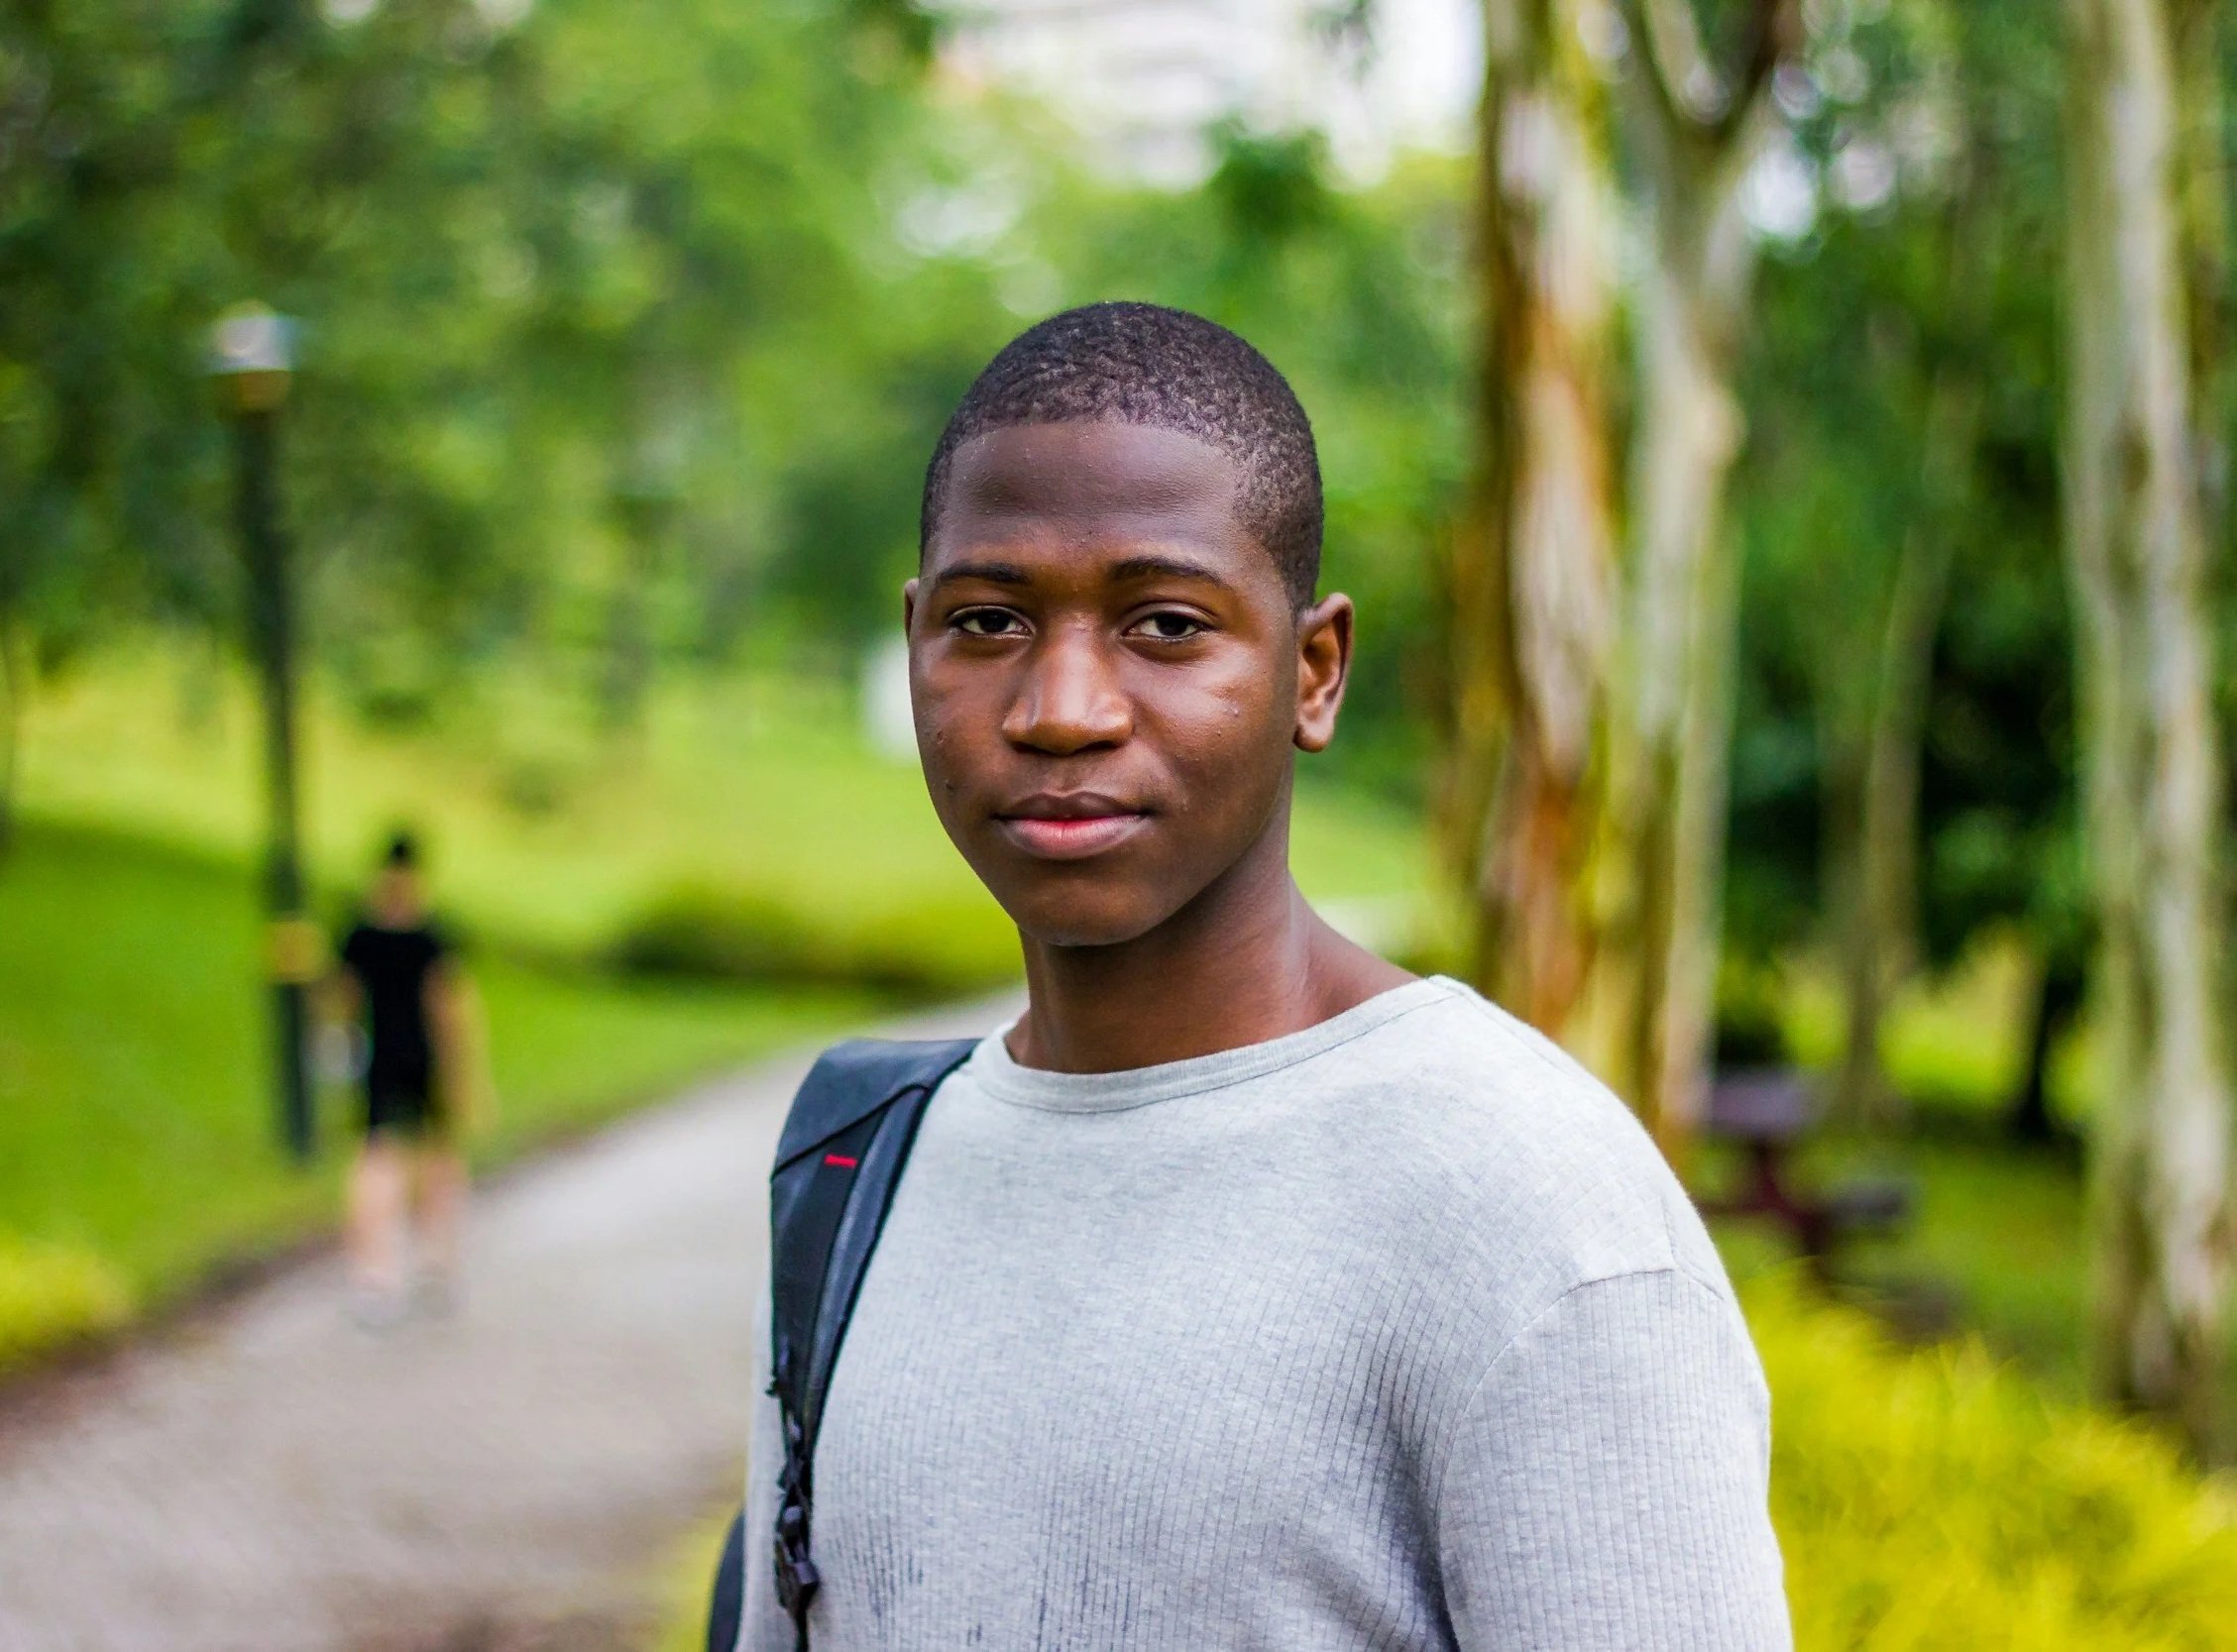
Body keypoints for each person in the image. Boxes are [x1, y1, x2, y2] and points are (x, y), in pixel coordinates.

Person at [735, 302, 1790, 1648]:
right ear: (915, 641)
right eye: (989, 619)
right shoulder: (856, 1169)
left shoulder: (1528, 1207)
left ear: (1313, 668)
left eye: (1164, 624)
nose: (1061, 706)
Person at [331, 830, 477, 1325]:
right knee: (435, 1157)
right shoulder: (431, 934)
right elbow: (448, 1007)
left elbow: (342, 999)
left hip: (378, 1057)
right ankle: (434, 1261)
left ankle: (375, 1273)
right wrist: (463, 1074)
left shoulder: (360, 933)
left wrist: (339, 1043)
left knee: (377, 1158)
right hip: (423, 1058)